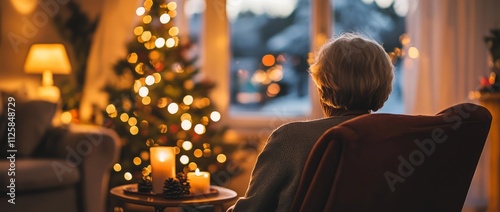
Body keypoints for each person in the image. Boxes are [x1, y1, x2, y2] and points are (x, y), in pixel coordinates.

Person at [227, 33, 394, 212]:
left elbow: (251, 209)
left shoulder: (291, 139)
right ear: (384, 86)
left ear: (323, 88)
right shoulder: (398, 137)